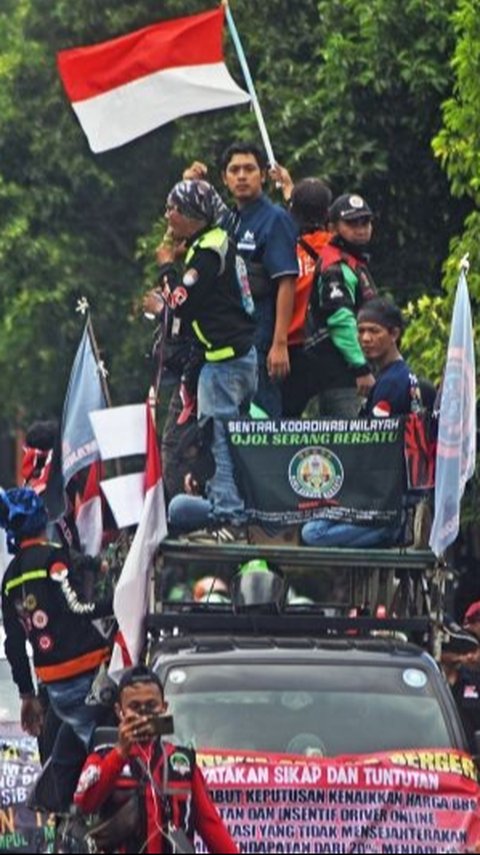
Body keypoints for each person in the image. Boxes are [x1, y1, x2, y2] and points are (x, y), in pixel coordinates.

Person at [144, 180, 257, 542]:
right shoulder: (214, 241)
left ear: (192, 215)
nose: (167, 215)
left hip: (224, 365)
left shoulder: (207, 254)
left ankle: (229, 517)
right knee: (229, 437)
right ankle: (229, 505)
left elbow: (181, 303)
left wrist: (166, 269)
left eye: (171, 208)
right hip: (236, 358)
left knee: (217, 438)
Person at [0, 487, 113, 806]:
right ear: (40, 520)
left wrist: (26, 695)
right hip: (90, 678)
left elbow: (15, 645)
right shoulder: (53, 557)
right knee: (101, 764)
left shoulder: (10, 577)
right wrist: (117, 603)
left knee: (61, 777)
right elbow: (76, 607)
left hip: (51, 688)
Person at [301, 298, 428, 547]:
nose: (366, 338)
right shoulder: (400, 375)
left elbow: (376, 444)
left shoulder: (392, 382)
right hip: (385, 492)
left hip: (387, 498)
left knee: (312, 533)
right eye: (361, 331)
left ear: (394, 334)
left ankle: (394, 529)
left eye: (374, 331)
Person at [185, 143, 299, 417]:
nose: (242, 176)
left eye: (249, 169)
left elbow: (286, 280)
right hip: (228, 342)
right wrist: (191, 185)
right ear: (224, 178)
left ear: (262, 175)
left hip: (261, 337)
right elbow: (187, 227)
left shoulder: (275, 219)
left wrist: (279, 343)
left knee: (262, 424)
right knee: (228, 430)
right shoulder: (229, 220)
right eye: (234, 170)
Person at [74, 665, 238, 854]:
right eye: (135, 707)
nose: (144, 714)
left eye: (151, 706)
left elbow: (210, 823)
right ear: (120, 711)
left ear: (164, 708)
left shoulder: (181, 761)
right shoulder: (101, 757)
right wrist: (120, 754)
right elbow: (85, 803)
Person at [303, 193, 377, 417]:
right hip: (343, 374)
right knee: (350, 445)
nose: (360, 228)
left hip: (351, 371)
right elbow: (340, 321)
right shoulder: (334, 265)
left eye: (365, 222)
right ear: (332, 228)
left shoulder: (353, 261)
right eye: (351, 223)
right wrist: (361, 367)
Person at [278, 174, 333, 416]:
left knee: (285, 423)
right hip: (328, 347)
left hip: (289, 350)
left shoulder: (282, 248)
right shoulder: (336, 248)